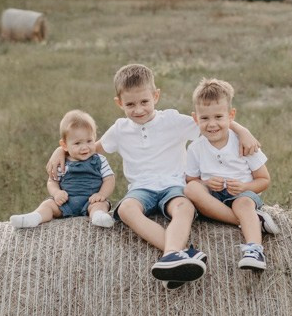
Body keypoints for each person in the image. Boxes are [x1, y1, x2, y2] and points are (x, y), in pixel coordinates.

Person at [45, 63, 260, 288]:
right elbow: (91, 148)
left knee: (184, 208)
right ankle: (177, 255)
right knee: (127, 210)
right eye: (130, 104)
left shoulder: (173, 120)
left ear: (156, 96)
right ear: (119, 103)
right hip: (141, 188)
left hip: (173, 184)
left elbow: (211, 121)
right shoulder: (119, 129)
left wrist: (242, 131)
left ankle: (171, 256)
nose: (138, 109)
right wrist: (60, 150)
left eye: (144, 102)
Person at [183, 77, 277, 271]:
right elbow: (192, 179)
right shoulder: (195, 148)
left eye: (218, 117)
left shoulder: (244, 143)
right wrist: (207, 183)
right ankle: (252, 221)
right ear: (195, 118)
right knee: (191, 188)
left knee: (242, 203)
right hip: (214, 198)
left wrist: (245, 187)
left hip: (243, 195)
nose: (212, 124)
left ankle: (254, 249)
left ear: (231, 115)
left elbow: (264, 180)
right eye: (205, 118)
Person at [11, 110, 115, 230]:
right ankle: (34, 217)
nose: (85, 147)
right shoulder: (61, 162)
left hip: (91, 201)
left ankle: (98, 216)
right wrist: (56, 193)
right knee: (48, 204)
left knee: (101, 205)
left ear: (95, 138)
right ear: (64, 145)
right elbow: (52, 181)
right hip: (65, 203)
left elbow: (109, 179)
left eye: (89, 141)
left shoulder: (99, 160)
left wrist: (101, 194)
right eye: (77, 143)